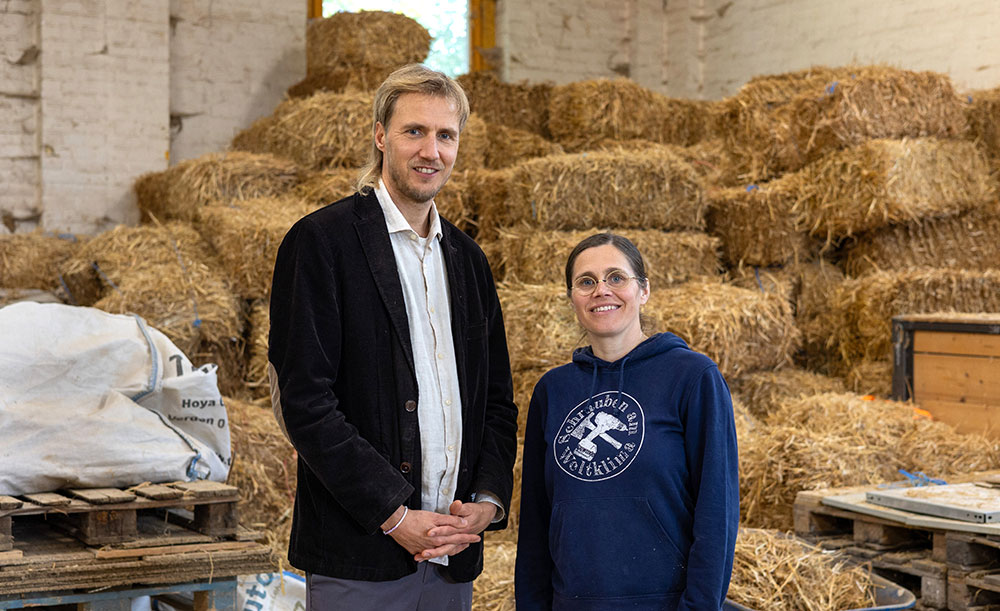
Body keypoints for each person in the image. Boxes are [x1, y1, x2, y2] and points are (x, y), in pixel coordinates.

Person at [267, 64, 518, 610]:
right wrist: (395, 514)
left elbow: (495, 401)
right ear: (381, 135)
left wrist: (487, 502)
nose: (431, 150)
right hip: (362, 553)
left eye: (445, 135)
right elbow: (305, 403)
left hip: (453, 556)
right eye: (415, 131)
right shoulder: (321, 243)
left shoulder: (470, 261)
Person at [514, 233, 739, 610]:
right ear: (572, 298)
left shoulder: (692, 377)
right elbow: (536, 521)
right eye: (587, 282)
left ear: (644, 290)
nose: (602, 290)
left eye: (616, 278)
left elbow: (718, 513)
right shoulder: (553, 390)